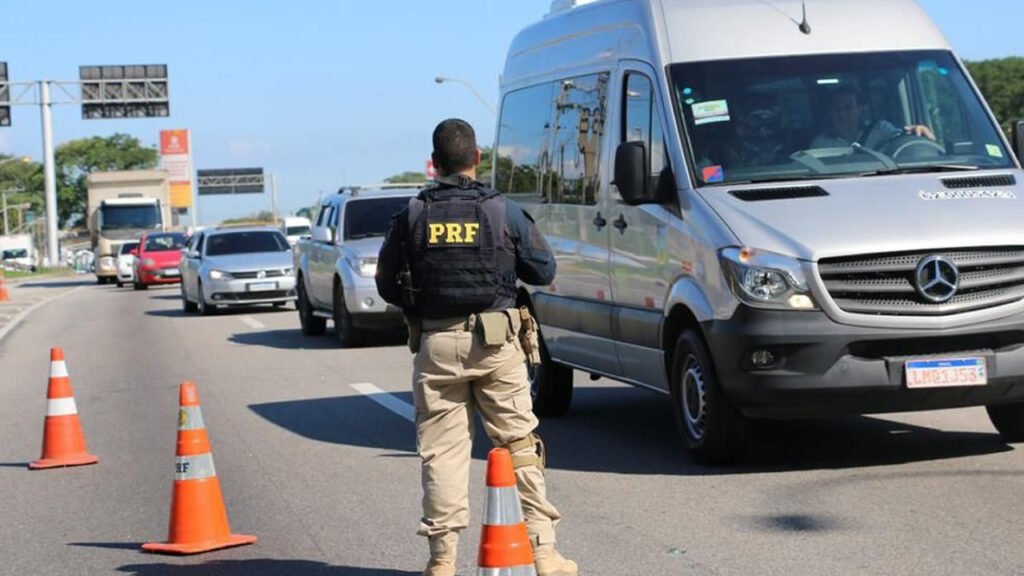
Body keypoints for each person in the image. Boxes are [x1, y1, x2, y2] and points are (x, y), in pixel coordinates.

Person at [376, 118, 577, 576]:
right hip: (496, 343)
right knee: (518, 443)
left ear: (434, 163)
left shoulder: (411, 215)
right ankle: (543, 553)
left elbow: (387, 284)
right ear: (477, 159)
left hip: (436, 343)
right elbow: (544, 271)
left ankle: (441, 561)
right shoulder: (502, 211)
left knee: (442, 453)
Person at [811, 87, 935, 150]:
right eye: (837, 109)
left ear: (860, 109)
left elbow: (903, 145)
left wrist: (918, 132)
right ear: (830, 112)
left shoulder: (881, 129)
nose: (842, 114)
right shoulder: (820, 144)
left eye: (848, 108)